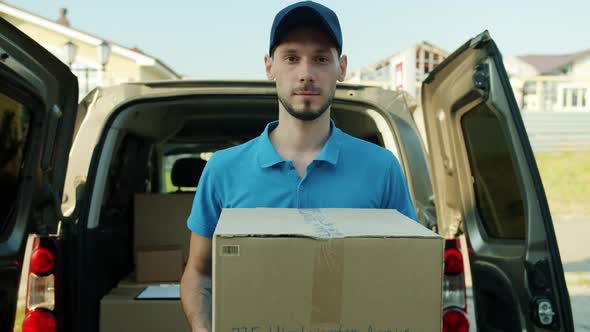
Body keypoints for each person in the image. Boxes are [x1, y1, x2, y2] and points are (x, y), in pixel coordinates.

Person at [180, 2, 418, 331]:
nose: (306, 73)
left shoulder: (381, 168)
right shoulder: (223, 169)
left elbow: (408, 272)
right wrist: (203, 328)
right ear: (269, 66)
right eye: (291, 57)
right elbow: (199, 273)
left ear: (342, 67)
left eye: (321, 58)